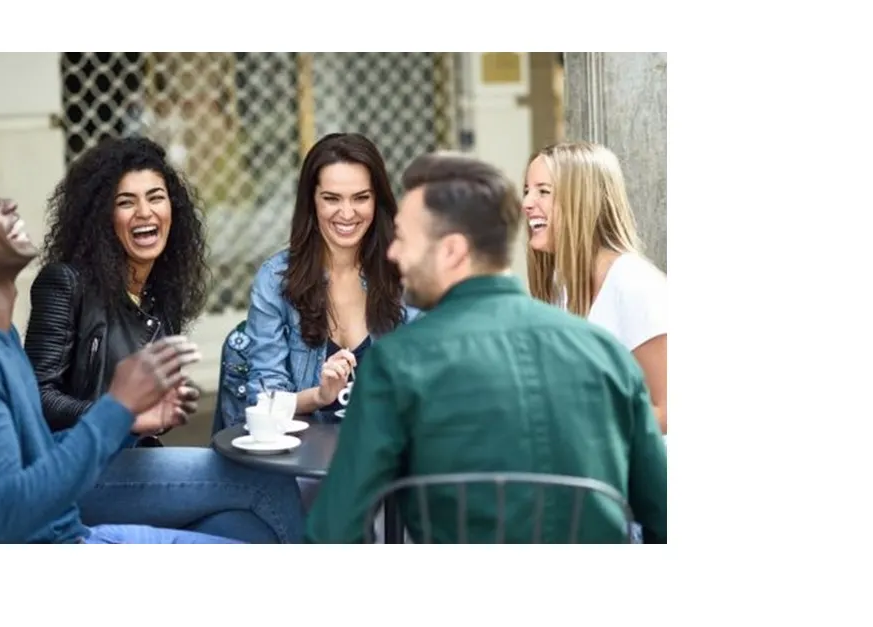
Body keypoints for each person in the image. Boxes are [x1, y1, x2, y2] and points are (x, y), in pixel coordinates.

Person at [303, 152, 668, 544]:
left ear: (452, 251)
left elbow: (332, 530)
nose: (393, 254)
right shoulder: (604, 353)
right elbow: (665, 511)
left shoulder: (397, 364)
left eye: (404, 239)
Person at [0, 177, 305, 544]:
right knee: (265, 481)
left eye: (156, 197)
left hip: (75, 518)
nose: (9, 204)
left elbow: (36, 453)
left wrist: (132, 420)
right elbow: (6, 519)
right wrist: (117, 407)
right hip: (71, 533)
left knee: (242, 528)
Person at [24, 136, 211, 445]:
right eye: (126, 202)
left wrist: (164, 408)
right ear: (101, 217)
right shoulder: (64, 283)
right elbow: (38, 397)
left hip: (131, 454)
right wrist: (124, 416)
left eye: (155, 197)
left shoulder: (163, 292)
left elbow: (151, 416)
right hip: (75, 462)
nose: (144, 212)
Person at [229, 133, 418, 431]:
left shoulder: (408, 274)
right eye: (331, 198)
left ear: (377, 200)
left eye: (361, 198)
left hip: (388, 461)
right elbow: (264, 399)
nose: (346, 213)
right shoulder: (276, 279)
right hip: (301, 467)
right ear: (312, 201)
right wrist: (318, 396)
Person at [523, 141, 667, 434]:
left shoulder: (633, 283)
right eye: (527, 190)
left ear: (582, 201)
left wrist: (588, 425)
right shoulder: (560, 287)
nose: (526, 203)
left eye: (543, 191)